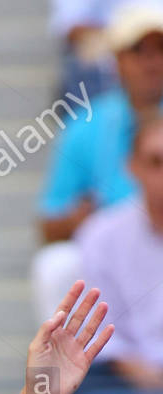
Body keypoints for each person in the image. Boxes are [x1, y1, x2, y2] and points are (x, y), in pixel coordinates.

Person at [34, 4, 163, 320]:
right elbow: (50, 221)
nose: (152, 62)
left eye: (161, 50)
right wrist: (81, 220)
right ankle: (75, 364)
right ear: (117, 60)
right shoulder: (85, 126)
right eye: (139, 51)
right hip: (111, 254)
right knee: (56, 265)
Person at [67, 115, 163, 394]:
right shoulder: (101, 235)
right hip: (121, 379)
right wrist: (138, 371)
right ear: (132, 167)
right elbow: (97, 325)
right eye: (156, 162)